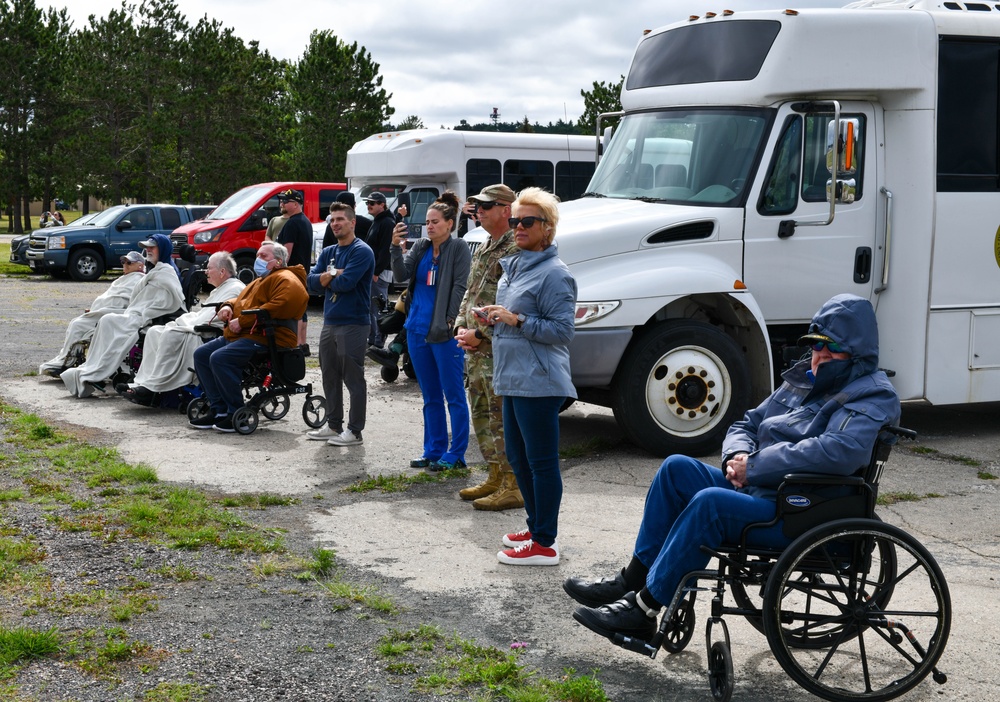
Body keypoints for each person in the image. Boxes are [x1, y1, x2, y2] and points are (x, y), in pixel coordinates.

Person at [566, 294, 901, 642]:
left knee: (711, 504)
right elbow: (747, 424)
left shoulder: (872, 395)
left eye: (832, 350)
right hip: (764, 489)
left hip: (803, 508)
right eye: (816, 347)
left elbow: (839, 452)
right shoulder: (805, 376)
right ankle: (633, 581)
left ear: (858, 353)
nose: (820, 357)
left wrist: (754, 467)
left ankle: (645, 610)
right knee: (676, 469)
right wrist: (735, 460)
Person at [480, 187, 577, 566]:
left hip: (539, 380)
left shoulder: (555, 274)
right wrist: (491, 320)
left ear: (547, 228)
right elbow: (514, 321)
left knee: (540, 462)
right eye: (515, 220)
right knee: (519, 460)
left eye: (528, 221)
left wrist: (516, 319)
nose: (518, 226)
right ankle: (537, 525)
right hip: (514, 377)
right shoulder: (514, 268)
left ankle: (545, 543)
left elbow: (562, 331)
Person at [453, 184, 523, 512]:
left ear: (506, 209)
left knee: (499, 415)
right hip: (476, 349)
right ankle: (494, 475)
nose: (478, 210)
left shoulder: (515, 248)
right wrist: (459, 326)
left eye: (487, 205)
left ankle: (513, 483)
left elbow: (512, 301)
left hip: (496, 349)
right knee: (481, 413)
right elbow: (470, 291)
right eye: (477, 206)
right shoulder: (484, 245)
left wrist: (479, 334)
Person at [390, 191, 471, 471]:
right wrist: (394, 247)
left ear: (449, 223)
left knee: (454, 394)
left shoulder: (458, 248)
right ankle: (433, 450)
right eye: (427, 222)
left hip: (444, 332)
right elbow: (400, 276)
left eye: (435, 221)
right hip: (416, 330)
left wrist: (450, 321)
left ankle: (456, 452)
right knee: (430, 395)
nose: (430, 226)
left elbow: (460, 286)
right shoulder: (422, 247)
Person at [190, 242, 308, 433]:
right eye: (258, 255)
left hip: (270, 337)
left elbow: (278, 305)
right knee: (201, 355)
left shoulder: (287, 279)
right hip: (249, 334)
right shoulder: (261, 280)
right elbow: (242, 300)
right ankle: (218, 409)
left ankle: (236, 411)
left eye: (264, 256)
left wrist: (242, 321)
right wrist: (227, 306)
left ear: (278, 261)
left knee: (220, 358)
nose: (258, 260)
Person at [60, 235, 185, 398]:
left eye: (152, 247)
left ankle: (95, 371)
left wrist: (147, 311)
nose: (148, 250)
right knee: (105, 320)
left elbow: (172, 299)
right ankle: (91, 369)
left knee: (108, 320)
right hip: (136, 312)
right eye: (146, 247)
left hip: (147, 316)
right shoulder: (155, 271)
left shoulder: (167, 271)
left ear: (163, 250)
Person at [121, 251, 246, 405]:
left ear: (222, 272)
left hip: (208, 333)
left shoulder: (234, 288)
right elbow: (203, 314)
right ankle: (144, 382)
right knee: (154, 331)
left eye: (209, 268)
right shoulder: (221, 288)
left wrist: (185, 322)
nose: (205, 272)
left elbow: (211, 320)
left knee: (171, 333)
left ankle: (155, 387)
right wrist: (185, 320)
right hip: (197, 326)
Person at [306, 202, 375, 446]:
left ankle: (355, 431)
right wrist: (331, 275)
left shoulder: (362, 251)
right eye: (332, 220)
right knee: (329, 376)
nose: (335, 224)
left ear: (352, 222)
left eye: (340, 220)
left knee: (353, 379)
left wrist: (328, 278)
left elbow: (347, 284)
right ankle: (334, 425)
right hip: (330, 322)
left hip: (353, 323)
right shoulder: (328, 252)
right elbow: (310, 282)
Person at [39, 251, 147, 377]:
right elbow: (109, 296)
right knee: (76, 322)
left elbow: (124, 298)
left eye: (129, 262)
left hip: (117, 313)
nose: (125, 265)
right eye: (123, 262)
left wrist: (102, 308)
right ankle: (65, 358)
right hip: (103, 311)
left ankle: (67, 361)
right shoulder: (122, 279)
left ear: (140, 266)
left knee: (78, 325)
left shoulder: (138, 279)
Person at [275, 189, 312, 346]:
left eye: (285, 201)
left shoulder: (292, 223)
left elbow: (286, 254)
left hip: (292, 274)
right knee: (301, 309)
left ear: (296, 204)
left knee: (294, 310)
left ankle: (295, 344)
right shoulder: (305, 221)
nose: (282, 203)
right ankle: (302, 344)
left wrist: (277, 271)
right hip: (302, 273)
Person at [364, 192, 395, 348]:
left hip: (380, 272)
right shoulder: (378, 221)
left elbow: (386, 250)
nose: (369, 205)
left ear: (382, 204)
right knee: (371, 307)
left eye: (372, 203)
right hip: (375, 271)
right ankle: (373, 339)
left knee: (379, 308)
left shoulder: (387, 223)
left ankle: (378, 341)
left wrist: (376, 272)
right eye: (367, 203)